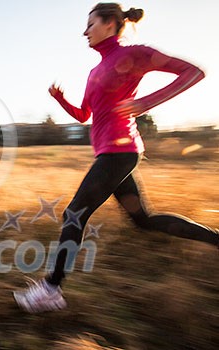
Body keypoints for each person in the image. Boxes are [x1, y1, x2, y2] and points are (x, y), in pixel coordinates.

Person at [13, 2, 219, 313]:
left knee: (74, 214)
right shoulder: (96, 70)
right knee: (143, 220)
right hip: (113, 153)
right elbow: (84, 115)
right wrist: (61, 99)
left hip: (120, 152)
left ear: (110, 24)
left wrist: (146, 102)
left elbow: (194, 72)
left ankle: (51, 290)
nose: (85, 31)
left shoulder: (134, 53)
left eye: (90, 24)